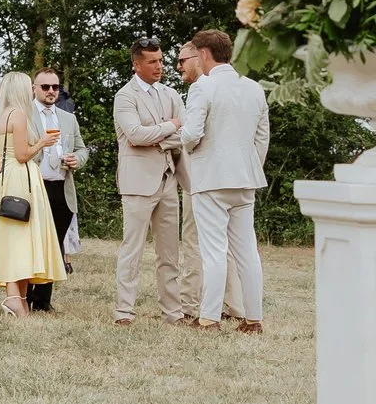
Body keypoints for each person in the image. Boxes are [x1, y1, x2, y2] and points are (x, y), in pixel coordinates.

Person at [177, 29, 269, 333]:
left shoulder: (203, 87)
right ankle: (253, 318)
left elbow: (191, 133)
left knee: (214, 250)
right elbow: (262, 137)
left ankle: (209, 318)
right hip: (245, 179)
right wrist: (249, 165)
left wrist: (187, 145)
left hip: (211, 179)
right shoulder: (254, 88)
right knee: (247, 250)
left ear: (204, 54)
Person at [111, 40, 190, 326]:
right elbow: (134, 135)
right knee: (132, 250)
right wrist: (170, 127)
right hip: (137, 183)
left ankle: (173, 312)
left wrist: (157, 135)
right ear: (136, 64)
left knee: (169, 252)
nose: (160, 66)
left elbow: (187, 133)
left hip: (169, 179)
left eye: (161, 60)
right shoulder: (125, 96)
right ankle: (124, 312)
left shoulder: (170, 93)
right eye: (153, 61)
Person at [0, 71, 66, 316]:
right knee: (23, 237)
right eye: (29, 87)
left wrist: (6, 176)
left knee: (10, 237)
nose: (32, 91)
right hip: (23, 176)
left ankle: (18, 297)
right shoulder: (18, 115)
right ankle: (15, 298)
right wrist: (41, 143)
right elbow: (22, 154)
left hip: (5, 177)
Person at [27, 70, 85, 311]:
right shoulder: (24, 115)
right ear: (34, 88)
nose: (51, 91)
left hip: (62, 186)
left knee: (55, 244)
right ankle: (24, 296)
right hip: (34, 187)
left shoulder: (67, 117)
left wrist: (77, 159)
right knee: (31, 244)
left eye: (55, 87)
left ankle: (43, 301)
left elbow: (82, 147)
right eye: (45, 87)